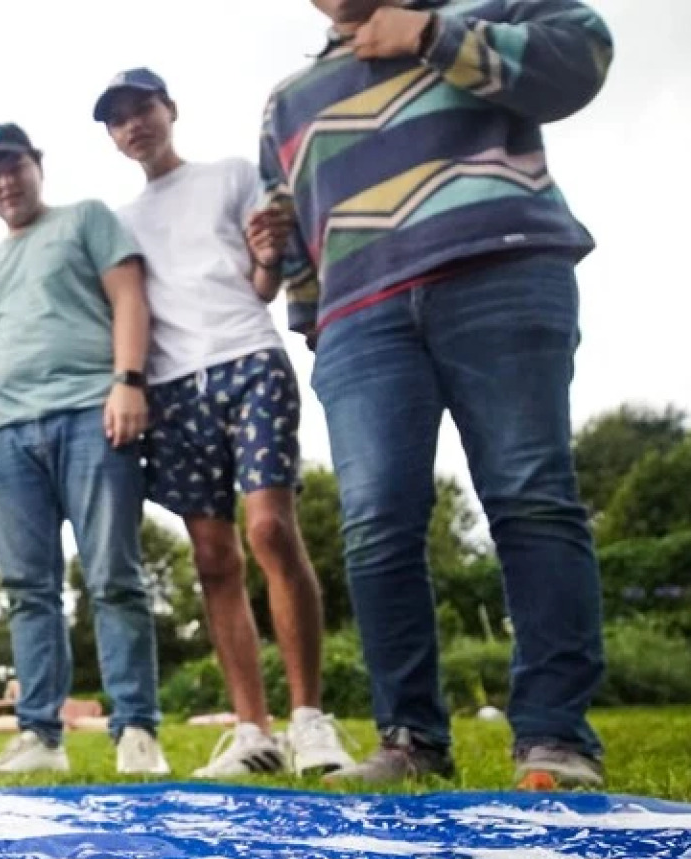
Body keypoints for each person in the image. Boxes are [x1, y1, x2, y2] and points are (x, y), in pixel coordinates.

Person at [262, 0, 614, 789]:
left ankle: (554, 736)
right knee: (374, 528)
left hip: (499, 268)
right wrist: (309, 311)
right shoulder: (288, 101)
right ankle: (411, 741)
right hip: (360, 320)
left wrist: (430, 35)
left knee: (530, 495)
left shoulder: (479, 12)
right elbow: (291, 225)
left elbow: (581, 58)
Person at [95, 69, 355, 780]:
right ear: (113, 137)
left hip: (248, 357)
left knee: (270, 529)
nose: (134, 125)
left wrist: (269, 256)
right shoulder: (119, 222)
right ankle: (252, 731)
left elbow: (263, 283)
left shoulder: (232, 175)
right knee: (213, 557)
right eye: (118, 119)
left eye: (142, 108)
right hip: (173, 387)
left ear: (169, 109)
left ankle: (309, 719)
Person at [0, 123, 163, 775]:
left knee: (113, 574)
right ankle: (40, 736)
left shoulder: (86, 220)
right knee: (29, 589)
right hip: (7, 437)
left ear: (36, 166)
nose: (5, 181)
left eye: (13, 166)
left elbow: (129, 295)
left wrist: (128, 381)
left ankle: (136, 729)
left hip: (89, 413)